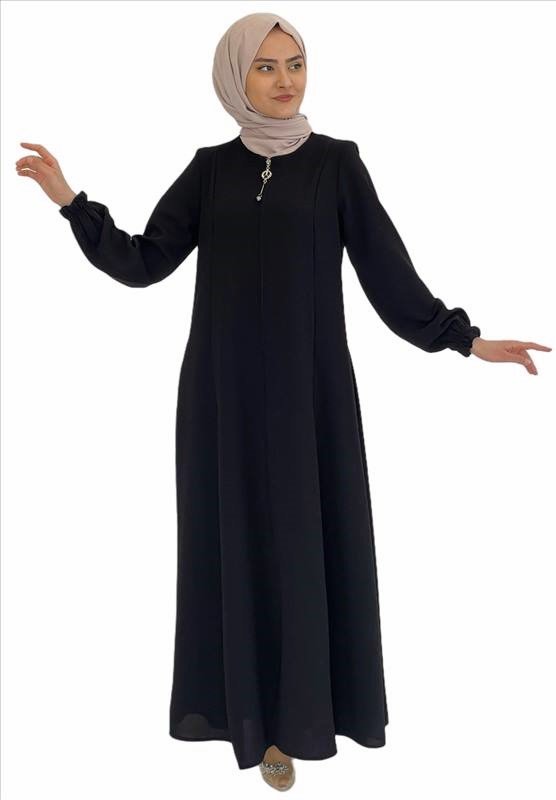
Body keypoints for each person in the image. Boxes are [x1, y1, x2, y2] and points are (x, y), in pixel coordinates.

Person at [15, 10, 551, 793]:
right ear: (236, 78)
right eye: (264, 67)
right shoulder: (210, 170)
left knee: (306, 550)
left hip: (311, 401)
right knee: (233, 549)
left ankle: (302, 720)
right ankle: (253, 726)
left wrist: (466, 340)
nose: (284, 80)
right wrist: (71, 200)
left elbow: (388, 274)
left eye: (294, 63)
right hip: (222, 402)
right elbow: (143, 262)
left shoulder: (336, 164)